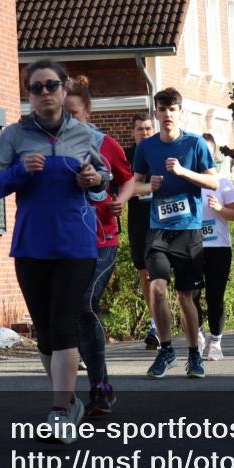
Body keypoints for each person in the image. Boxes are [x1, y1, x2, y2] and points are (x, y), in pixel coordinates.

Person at [0, 59, 108, 442]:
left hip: (76, 244)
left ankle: (58, 410)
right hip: (32, 244)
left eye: (51, 85)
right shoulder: (14, 135)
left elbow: (103, 182)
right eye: (36, 87)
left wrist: (94, 179)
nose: (44, 93)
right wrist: (20, 171)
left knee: (62, 324)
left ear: (64, 88)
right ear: (28, 94)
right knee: (44, 333)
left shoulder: (85, 135)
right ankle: (68, 402)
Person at [131, 88, 218, 379]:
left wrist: (183, 173)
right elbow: (135, 185)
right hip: (158, 230)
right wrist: (149, 187)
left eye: (172, 109)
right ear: (156, 112)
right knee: (157, 288)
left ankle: (194, 354)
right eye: (162, 109)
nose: (167, 114)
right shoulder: (147, 147)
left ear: (180, 112)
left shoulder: (195, 144)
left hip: (188, 231)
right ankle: (166, 350)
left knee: (185, 297)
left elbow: (214, 182)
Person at [64, 76, 134, 417]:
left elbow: (128, 179)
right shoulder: (50, 147)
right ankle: (91, 388)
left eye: (73, 113)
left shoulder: (106, 144)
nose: (67, 120)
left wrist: (120, 200)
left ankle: (100, 390)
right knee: (74, 312)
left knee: (85, 304)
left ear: (88, 112)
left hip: (102, 239)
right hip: (66, 242)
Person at [197, 133, 234, 361]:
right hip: (192, 245)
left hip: (218, 247)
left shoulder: (223, 182)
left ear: (213, 155)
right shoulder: (188, 181)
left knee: (214, 296)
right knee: (190, 294)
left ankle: (216, 342)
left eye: (207, 151)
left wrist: (220, 209)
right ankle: (198, 334)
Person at [123, 113, 160, 350]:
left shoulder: (160, 151)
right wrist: (147, 188)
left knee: (161, 271)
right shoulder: (126, 156)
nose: (144, 133)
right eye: (140, 129)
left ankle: (160, 324)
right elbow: (124, 187)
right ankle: (155, 320)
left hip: (161, 219)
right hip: (138, 220)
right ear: (133, 133)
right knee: (145, 272)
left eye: (148, 129)